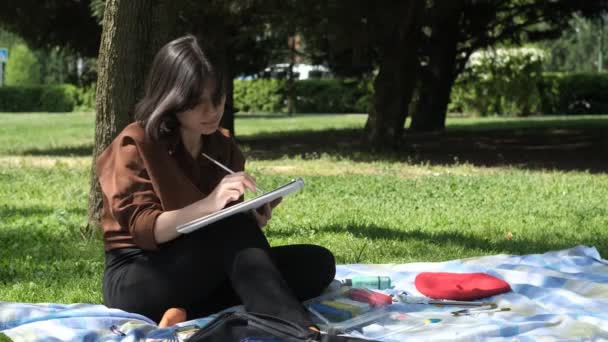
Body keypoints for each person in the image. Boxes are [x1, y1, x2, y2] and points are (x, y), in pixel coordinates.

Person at [96, 34, 336, 329]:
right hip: (139, 272)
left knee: (317, 263)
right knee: (231, 228)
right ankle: (294, 328)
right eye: (197, 102)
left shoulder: (221, 146)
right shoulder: (137, 143)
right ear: (172, 98)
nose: (211, 111)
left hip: (201, 271)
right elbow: (147, 230)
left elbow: (227, 240)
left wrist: (253, 218)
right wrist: (211, 205)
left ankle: (186, 311)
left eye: (218, 98)